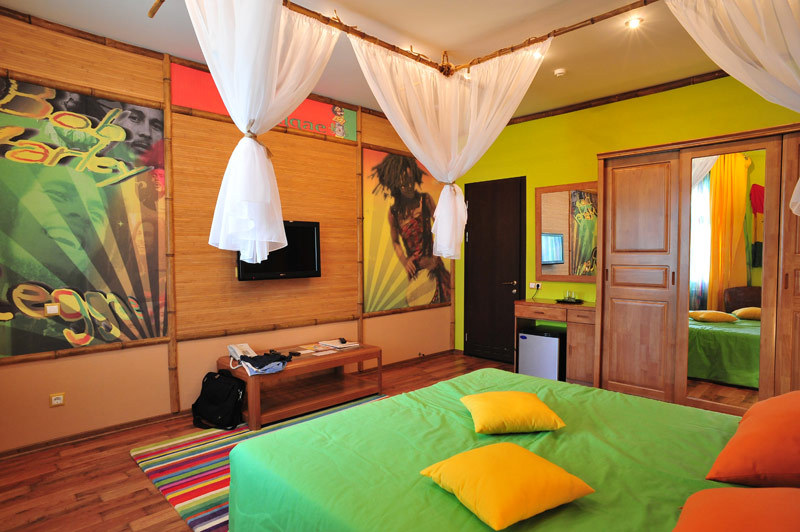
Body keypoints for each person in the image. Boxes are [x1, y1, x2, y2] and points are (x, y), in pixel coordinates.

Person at [371, 153, 450, 304]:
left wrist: (435, 257)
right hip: (415, 274)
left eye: (410, 181)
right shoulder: (394, 213)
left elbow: (440, 228)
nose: (409, 187)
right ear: (396, 186)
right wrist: (405, 262)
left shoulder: (425, 200)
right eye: (404, 184)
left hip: (434, 269)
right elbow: (395, 241)